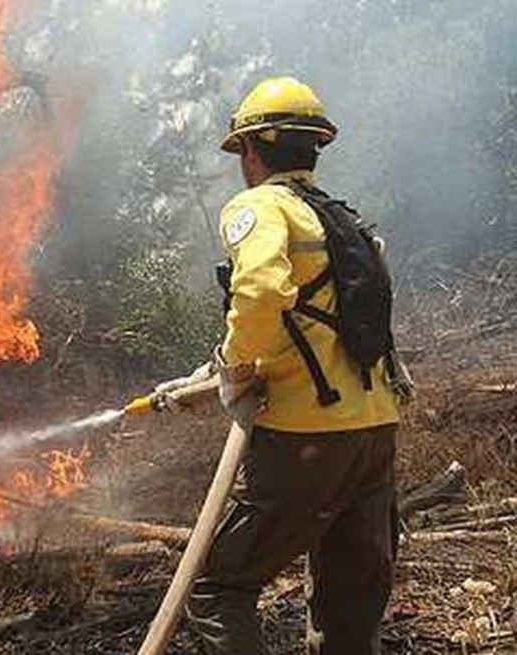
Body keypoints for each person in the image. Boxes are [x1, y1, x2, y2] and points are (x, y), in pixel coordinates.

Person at [175, 77, 409, 655]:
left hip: (308, 437)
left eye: (241, 153)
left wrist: (234, 367)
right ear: (314, 149)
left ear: (251, 150)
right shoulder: (346, 222)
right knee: (349, 606)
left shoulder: (260, 207)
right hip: (375, 431)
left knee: (216, 589)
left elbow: (258, 292)